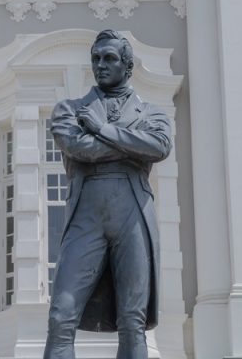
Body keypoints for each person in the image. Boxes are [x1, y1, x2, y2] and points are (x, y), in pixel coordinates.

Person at [43, 30, 172, 359]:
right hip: (86, 217)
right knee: (61, 315)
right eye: (96, 58)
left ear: (128, 66)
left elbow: (158, 146)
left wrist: (102, 129)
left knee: (133, 319)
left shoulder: (152, 113)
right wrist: (130, 146)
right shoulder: (69, 110)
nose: (100, 65)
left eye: (109, 58)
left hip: (133, 216)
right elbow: (76, 147)